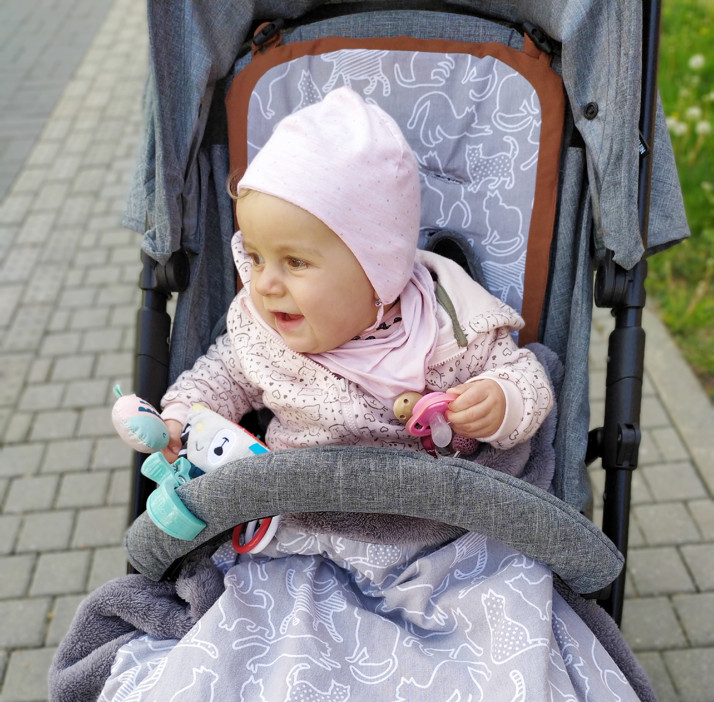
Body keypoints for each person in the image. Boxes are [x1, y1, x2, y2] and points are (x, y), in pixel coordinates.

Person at [159, 87, 553, 462]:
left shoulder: (452, 329)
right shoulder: (261, 334)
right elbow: (220, 379)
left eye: (295, 262)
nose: (262, 285)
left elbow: (526, 376)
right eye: (257, 257)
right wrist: (179, 421)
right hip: (298, 499)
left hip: (428, 502)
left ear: (376, 271)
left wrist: (501, 400)